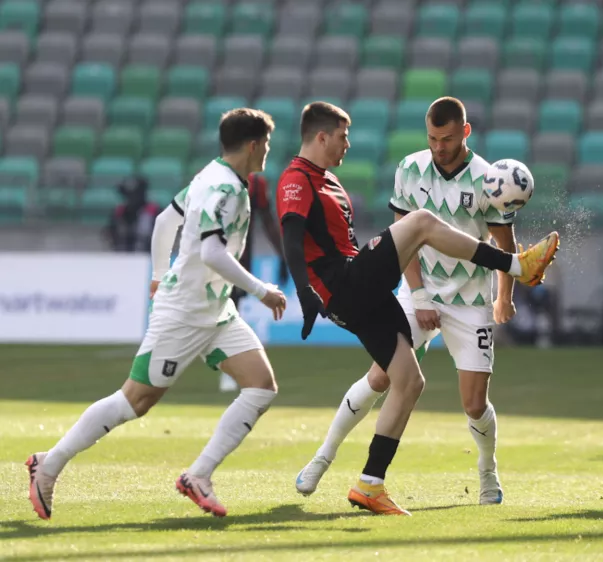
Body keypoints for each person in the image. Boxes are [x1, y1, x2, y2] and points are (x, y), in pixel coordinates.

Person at [277, 102, 560, 515]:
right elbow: (402, 237)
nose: (438, 147)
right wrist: (420, 294)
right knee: (380, 376)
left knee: (453, 396)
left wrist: (504, 296)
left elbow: (501, 237)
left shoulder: (487, 177)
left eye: (446, 139)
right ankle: (322, 457)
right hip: (414, 289)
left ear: (465, 132)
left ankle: (476, 474)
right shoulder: (406, 168)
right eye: (432, 139)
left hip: (469, 299)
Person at [25, 109, 288, 520]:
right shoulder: (227, 188)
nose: (268, 152)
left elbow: (167, 221)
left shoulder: (210, 177)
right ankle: (48, 465)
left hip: (215, 310)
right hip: (184, 312)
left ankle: (199, 475)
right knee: (135, 400)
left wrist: (156, 274)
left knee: (261, 386)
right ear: (254, 145)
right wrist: (262, 290)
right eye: (267, 144)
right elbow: (211, 251)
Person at [219, 171, 288, 392]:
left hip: (240, 262)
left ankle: (229, 370)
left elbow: (267, 222)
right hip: (210, 261)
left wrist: (282, 255)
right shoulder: (211, 179)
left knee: (232, 312)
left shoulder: (256, 184)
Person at [106, 174, 160, 253]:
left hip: (147, 255)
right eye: (127, 195)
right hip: (122, 256)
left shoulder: (153, 211)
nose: (130, 199)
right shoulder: (119, 212)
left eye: (134, 195)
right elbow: (111, 234)